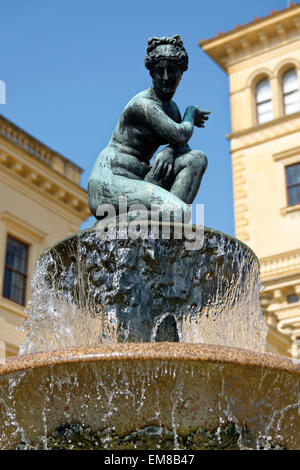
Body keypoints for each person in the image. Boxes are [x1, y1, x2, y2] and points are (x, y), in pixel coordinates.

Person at [88, 35, 209, 221]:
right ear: (151, 74)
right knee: (179, 211)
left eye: (172, 70)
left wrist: (169, 151)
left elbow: (182, 147)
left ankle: (166, 235)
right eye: (160, 71)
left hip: (139, 180)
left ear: (181, 73)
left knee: (197, 159)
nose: (166, 77)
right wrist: (190, 113)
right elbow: (180, 135)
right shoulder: (143, 104)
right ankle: (140, 225)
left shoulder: (171, 109)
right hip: (109, 184)